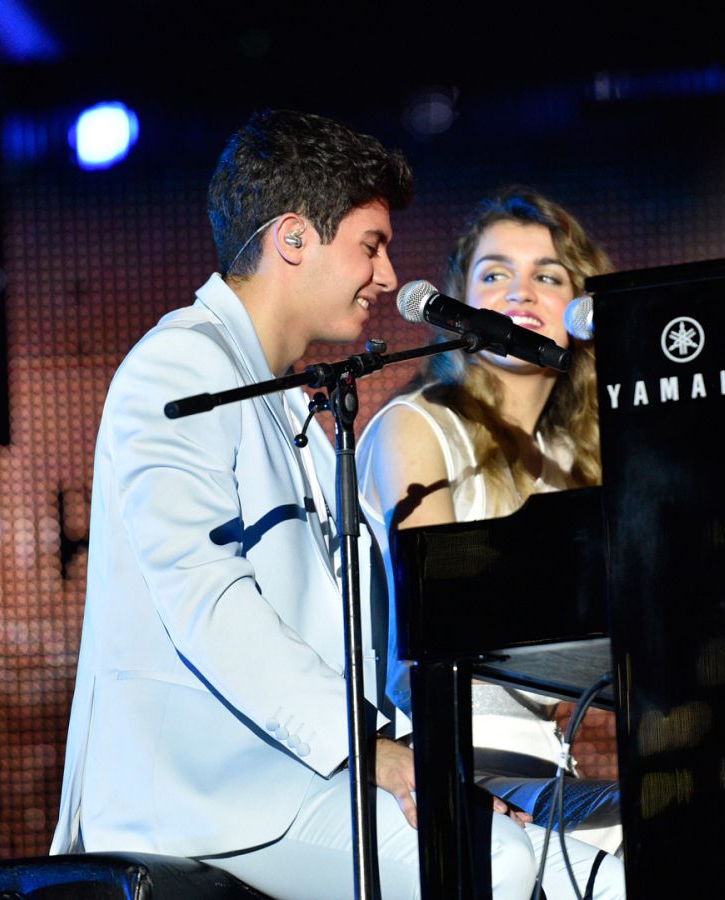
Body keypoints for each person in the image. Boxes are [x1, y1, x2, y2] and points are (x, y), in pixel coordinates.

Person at [49, 111, 598, 899]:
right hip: (201, 794)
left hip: (297, 773)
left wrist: (426, 767)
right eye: (371, 246)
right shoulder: (179, 367)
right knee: (498, 866)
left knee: (590, 872)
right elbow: (208, 600)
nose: (386, 277)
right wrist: (378, 755)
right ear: (294, 238)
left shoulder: (300, 405)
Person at [359, 190, 623, 857]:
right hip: (443, 751)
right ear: (462, 302)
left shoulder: (583, 462)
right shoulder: (415, 428)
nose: (520, 291)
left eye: (548, 275)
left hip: (548, 763)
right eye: (495, 273)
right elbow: (446, 617)